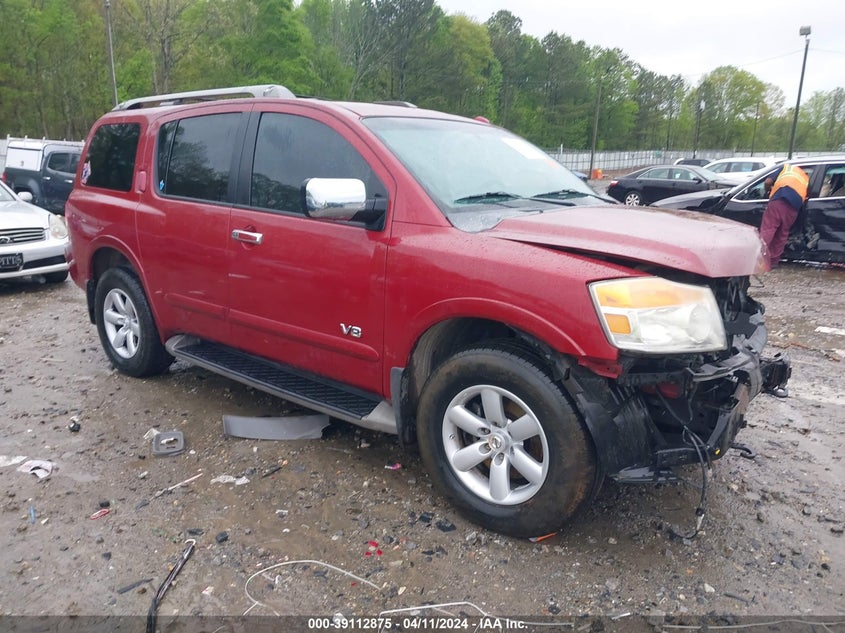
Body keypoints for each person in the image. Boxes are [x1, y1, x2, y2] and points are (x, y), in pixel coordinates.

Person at [759, 163, 810, 269]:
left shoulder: (785, 167)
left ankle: (757, 258)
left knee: (768, 230)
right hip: (794, 207)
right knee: (782, 233)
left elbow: (768, 182)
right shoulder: (804, 177)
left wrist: (767, 191)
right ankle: (773, 262)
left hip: (779, 200)